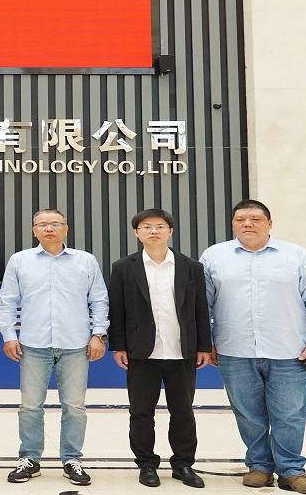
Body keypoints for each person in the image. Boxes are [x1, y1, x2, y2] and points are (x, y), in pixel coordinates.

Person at [201, 200, 306, 495]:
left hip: (290, 350)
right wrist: (205, 341)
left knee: (290, 414)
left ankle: (291, 471)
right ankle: (259, 466)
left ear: (270, 224)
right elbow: (204, 303)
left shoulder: (296, 255)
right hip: (234, 349)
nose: (247, 224)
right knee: (248, 414)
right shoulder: (214, 256)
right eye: (240, 219)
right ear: (233, 224)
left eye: (255, 219)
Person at [0, 209, 108, 487]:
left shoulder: (85, 260)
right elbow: (8, 301)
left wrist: (99, 334)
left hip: (76, 345)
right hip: (33, 345)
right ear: (34, 229)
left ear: (66, 228)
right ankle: (30, 458)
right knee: (30, 406)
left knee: (75, 406)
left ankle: (72, 459)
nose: (49, 228)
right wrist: (9, 335)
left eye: (55, 223)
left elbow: (99, 300)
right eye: (43, 224)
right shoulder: (20, 260)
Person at [108, 208, 212, 489]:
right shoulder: (123, 267)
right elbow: (117, 309)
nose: (153, 231)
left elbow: (200, 309)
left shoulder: (191, 266)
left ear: (170, 231)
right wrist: (118, 346)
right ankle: (146, 464)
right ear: (136, 232)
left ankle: (183, 464)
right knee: (141, 412)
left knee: (183, 411)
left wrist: (204, 345)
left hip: (182, 350)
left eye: (160, 226)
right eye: (146, 226)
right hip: (141, 351)